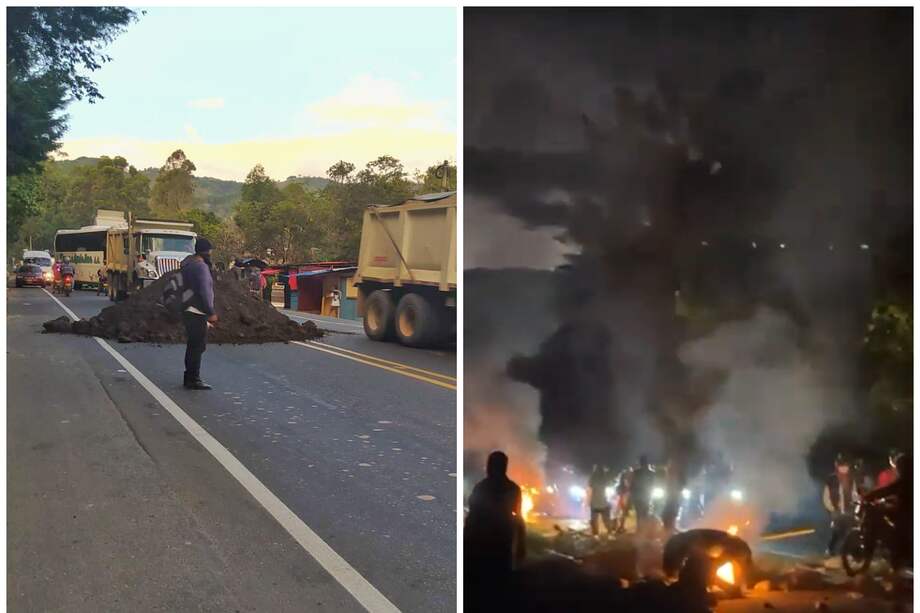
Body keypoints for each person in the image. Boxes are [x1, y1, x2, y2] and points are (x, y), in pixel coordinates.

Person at [464, 451, 526, 597]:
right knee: (500, 582)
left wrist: (466, 539)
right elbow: (518, 517)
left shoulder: (481, 487)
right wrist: (521, 544)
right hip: (503, 538)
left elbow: (472, 516)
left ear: (489, 466)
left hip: (482, 541)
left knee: (483, 584)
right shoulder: (513, 488)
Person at [862, 453, 912, 573]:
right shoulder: (909, 479)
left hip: (907, 516)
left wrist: (870, 495)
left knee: (897, 537)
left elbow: (889, 489)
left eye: (899, 467)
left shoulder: (906, 480)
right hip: (903, 512)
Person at [180, 238, 218, 390]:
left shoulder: (188, 265)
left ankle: (189, 376)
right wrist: (210, 312)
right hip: (197, 310)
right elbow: (205, 291)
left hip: (187, 308)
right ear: (206, 251)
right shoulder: (200, 267)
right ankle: (193, 379)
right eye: (210, 250)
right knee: (197, 346)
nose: (210, 253)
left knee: (192, 345)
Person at [822, 453, 859, 555]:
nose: (844, 469)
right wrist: (832, 509)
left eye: (846, 466)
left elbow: (854, 494)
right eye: (842, 466)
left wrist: (856, 505)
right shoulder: (831, 479)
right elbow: (826, 497)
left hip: (849, 511)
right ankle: (830, 550)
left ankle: (849, 553)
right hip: (836, 511)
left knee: (850, 533)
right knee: (837, 532)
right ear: (837, 466)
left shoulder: (851, 479)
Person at [587, 465, 613, 537]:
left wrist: (587, 502)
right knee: (606, 520)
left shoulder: (592, 477)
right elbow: (608, 489)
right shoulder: (605, 478)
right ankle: (610, 534)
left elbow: (590, 491)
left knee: (594, 520)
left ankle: (596, 536)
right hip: (604, 503)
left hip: (594, 503)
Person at [631, 455, 654, 531]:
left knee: (640, 514)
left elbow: (632, 484)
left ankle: (641, 529)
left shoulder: (636, 472)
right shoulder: (650, 473)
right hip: (645, 496)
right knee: (644, 513)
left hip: (640, 496)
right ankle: (643, 530)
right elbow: (653, 484)